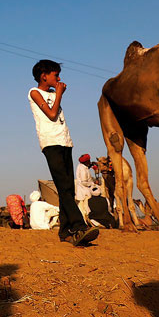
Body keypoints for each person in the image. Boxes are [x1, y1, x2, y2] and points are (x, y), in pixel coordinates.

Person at [28, 60, 98, 247]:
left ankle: (65, 232)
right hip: (50, 143)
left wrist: (57, 94)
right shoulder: (34, 92)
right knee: (62, 185)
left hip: (65, 142)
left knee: (67, 188)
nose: (58, 79)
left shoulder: (52, 93)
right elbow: (51, 115)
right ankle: (79, 225)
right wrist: (58, 94)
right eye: (55, 75)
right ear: (44, 76)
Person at [75, 153, 96, 221]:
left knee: (82, 208)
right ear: (86, 161)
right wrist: (93, 184)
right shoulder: (83, 170)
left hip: (82, 192)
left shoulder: (81, 166)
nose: (90, 161)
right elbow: (84, 182)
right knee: (85, 209)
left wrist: (91, 166)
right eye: (89, 160)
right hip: (84, 192)